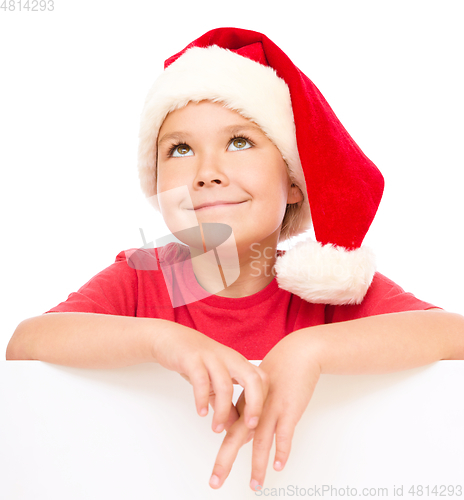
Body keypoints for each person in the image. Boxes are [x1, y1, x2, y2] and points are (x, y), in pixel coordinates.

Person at [6, 27, 464, 491]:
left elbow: (455, 335)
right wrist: (158, 339)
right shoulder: (141, 279)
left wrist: (310, 350)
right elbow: (26, 344)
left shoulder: (326, 291)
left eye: (240, 141)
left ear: (292, 181)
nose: (206, 173)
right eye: (180, 149)